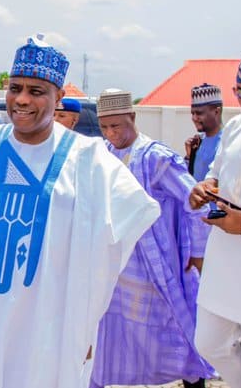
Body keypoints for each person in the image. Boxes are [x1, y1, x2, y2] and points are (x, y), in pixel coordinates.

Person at [0, 34, 160, 387]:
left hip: (47, 322)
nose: (22, 99)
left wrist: (84, 321)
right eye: (15, 88)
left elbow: (123, 230)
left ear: (57, 98)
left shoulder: (89, 160)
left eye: (37, 91)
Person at [91, 89, 215, 388]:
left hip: (153, 262)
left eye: (117, 125)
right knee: (106, 331)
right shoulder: (104, 154)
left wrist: (197, 252)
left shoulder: (156, 157)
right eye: (105, 127)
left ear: (133, 117)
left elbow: (195, 203)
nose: (111, 133)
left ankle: (193, 380)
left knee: (171, 323)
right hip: (117, 263)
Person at [189, 43, 241, 388]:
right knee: (207, 342)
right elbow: (217, 171)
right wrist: (205, 188)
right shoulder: (236, 127)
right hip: (224, 258)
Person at [185, 83, 224, 181]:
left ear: (216, 112)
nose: (194, 118)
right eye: (192, 113)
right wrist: (190, 157)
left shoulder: (227, 141)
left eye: (199, 113)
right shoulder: (197, 142)